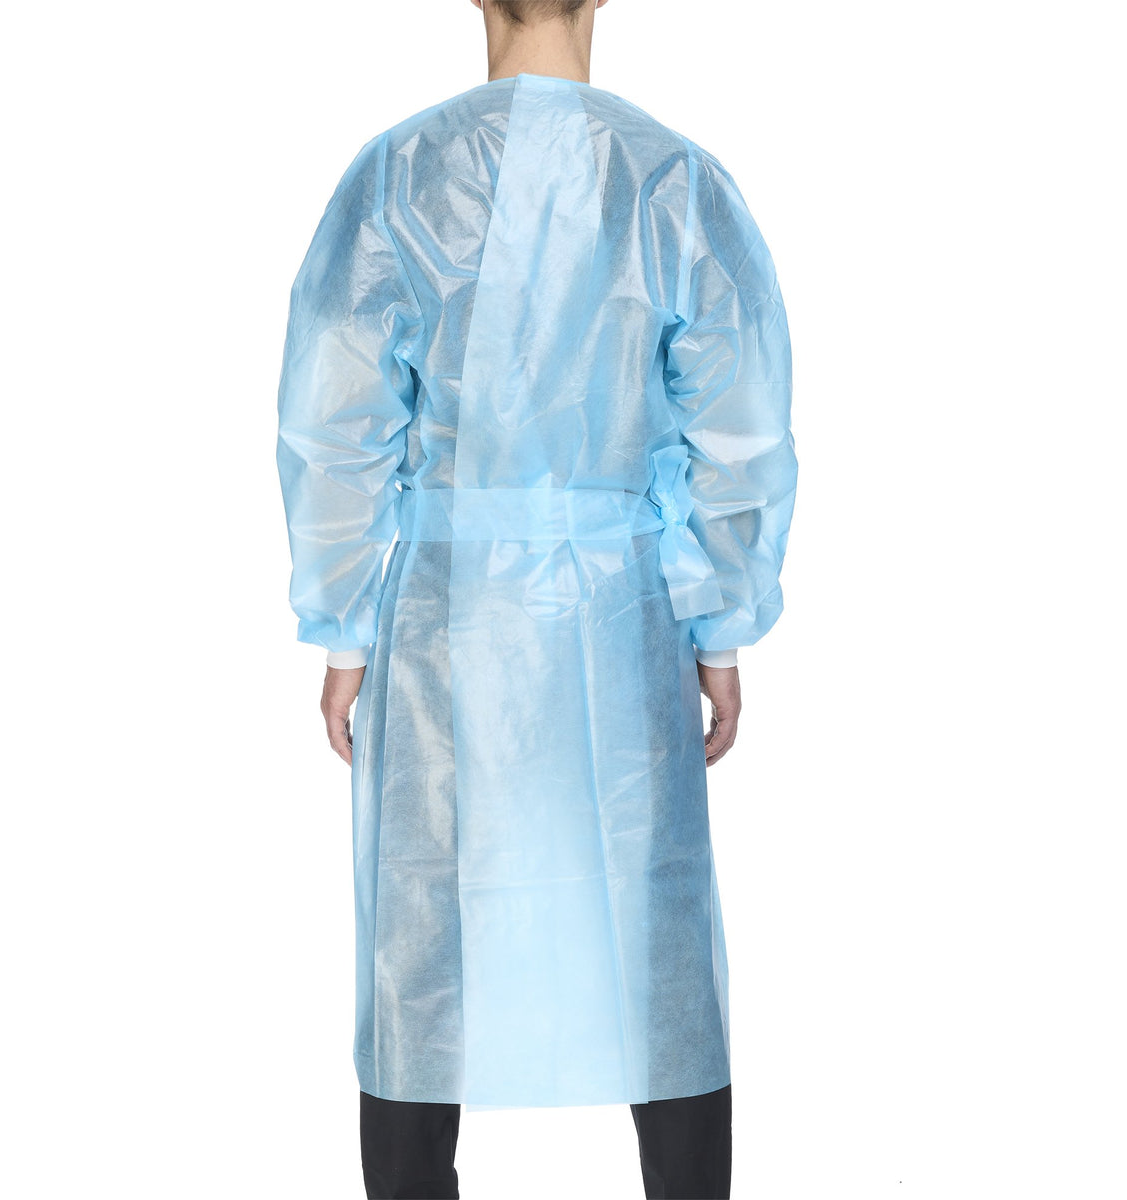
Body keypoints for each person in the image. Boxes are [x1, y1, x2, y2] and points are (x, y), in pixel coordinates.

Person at [275, 0, 797, 1195]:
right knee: (656, 925)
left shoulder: (397, 176)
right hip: (623, 613)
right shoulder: (676, 183)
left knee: (423, 929)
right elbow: (740, 426)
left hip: (440, 618)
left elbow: (336, 416)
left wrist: (346, 628)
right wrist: (718, 625)